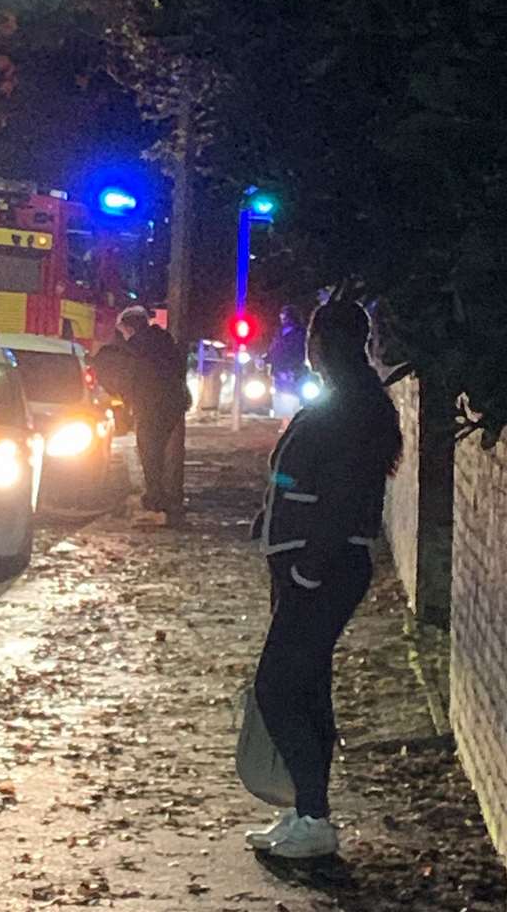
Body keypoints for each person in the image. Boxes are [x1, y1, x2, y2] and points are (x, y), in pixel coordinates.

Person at [244, 299, 402, 859]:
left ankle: (314, 816)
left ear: (322, 345)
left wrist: (309, 569)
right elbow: (298, 475)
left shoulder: (350, 409)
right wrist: (273, 517)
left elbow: (344, 499)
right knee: (306, 688)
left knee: (277, 687)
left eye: (312, 339)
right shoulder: (346, 403)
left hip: (324, 570)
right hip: (310, 566)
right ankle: (304, 810)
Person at [116, 305, 190, 522]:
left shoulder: (134, 346)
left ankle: (156, 498)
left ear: (130, 327)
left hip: (149, 405)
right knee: (164, 451)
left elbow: (129, 379)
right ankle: (166, 497)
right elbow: (179, 368)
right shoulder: (164, 340)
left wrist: (126, 402)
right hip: (173, 404)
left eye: (124, 329)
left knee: (150, 452)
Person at [266, 305, 307, 420]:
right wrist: (265, 359)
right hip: (279, 369)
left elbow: (299, 351)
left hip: (292, 370)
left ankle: (290, 422)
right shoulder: (279, 332)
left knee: (292, 395)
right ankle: (285, 421)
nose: (281, 317)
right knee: (281, 395)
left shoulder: (299, 333)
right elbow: (274, 349)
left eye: (284, 315)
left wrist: (291, 369)